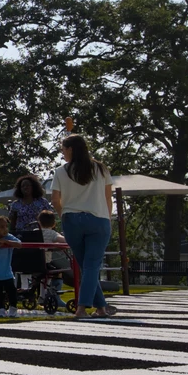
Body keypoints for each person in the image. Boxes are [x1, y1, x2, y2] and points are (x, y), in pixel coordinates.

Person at [51, 133, 116, 318]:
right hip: (99, 219)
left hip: (72, 219)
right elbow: (107, 197)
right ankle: (83, 307)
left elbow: (55, 200)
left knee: (86, 266)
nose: (62, 154)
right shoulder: (100, 169)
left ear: (70, 149)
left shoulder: (61, 171)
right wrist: (107, 218)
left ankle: (100, 307)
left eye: (63, 150)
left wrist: (64, 215)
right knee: (92, 266)